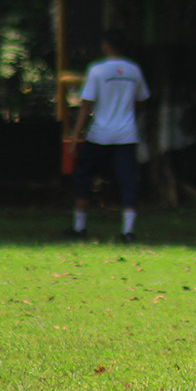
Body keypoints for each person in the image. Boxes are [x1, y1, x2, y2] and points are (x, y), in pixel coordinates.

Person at [65, 29, 150, 243]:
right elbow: (142, 101)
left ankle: (79, 228)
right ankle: (128, 231)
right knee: (128, 181)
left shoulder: (97, 70)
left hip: (99, 134)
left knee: (84, 176)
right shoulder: (133, 70)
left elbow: (86, 105)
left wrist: (75, 137)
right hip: (126, 135)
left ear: (105, 45)